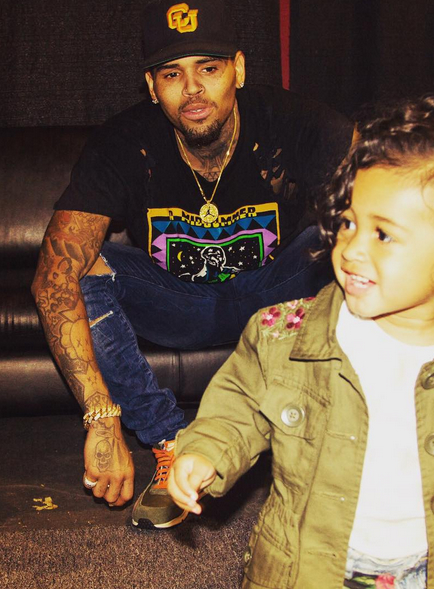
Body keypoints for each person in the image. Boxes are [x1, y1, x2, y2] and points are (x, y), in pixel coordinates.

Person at [168, 95, 434, 588]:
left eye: (383, 235)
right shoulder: (283, 336)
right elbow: (237, 409)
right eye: (349, 223)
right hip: (310, 568)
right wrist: (204, 453)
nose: (351, 249)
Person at [30, 0, 354, 529]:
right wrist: (101, 416)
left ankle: (332, 434)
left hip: (281, 297)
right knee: (81, 268)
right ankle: (170, 442)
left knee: (348, 235)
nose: (193, 89)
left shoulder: (295, 122)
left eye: (209, 68)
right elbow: (53, 277)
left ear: (239, 70)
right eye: (172, 74)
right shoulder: (124, 143)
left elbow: (390, 205)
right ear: (152, 86)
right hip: (181, 303)